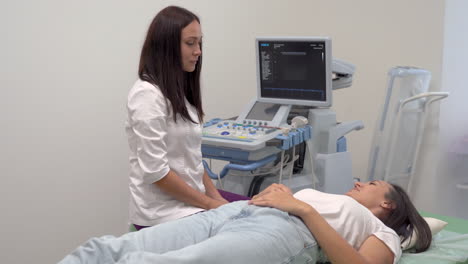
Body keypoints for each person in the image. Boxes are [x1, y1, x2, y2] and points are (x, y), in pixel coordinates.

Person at [58, 181, 432, 264]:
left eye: (371, 184)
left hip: (286, 232)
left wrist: (302, 209)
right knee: (110, 249)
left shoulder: (381, 231)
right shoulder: (333, 196)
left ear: (386, 202)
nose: (358, 182)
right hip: (236, 213)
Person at [125, 5, 227, 229]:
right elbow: (156, 173)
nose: (198, 51)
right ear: (166, 47)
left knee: (264, 208)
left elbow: (194, 163)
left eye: (199, 43)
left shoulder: (180, 93)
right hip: (162, 215)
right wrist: (210, 205)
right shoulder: (147, 95)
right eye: (190, 43)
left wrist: (218, 200)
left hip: (191, 206)